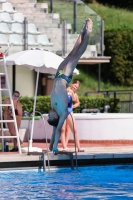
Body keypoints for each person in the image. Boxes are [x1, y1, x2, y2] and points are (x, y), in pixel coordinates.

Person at [48, 18, 93, 154]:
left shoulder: (54, 107)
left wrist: (50, 147)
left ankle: (81, 32)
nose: (48, 115)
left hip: (58, 74)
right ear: (55, 118)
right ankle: (89, 32)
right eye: (49, 117)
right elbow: (57, 130)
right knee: (77, 55)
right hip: (65, 76)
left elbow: (52, 132)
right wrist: (55, 147)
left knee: (72, 52)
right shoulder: (61, 115)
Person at [60, 80, 83, 151]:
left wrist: (74, 106)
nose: (75, 87)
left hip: (69, 111)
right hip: (62, 111)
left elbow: (76, 101)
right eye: (75, 85)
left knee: (74, 130)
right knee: (63, 129)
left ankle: (79, 147)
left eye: (77, 87)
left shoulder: (74, 93)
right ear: (72, 84)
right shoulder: (65, 89)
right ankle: (64, 147)